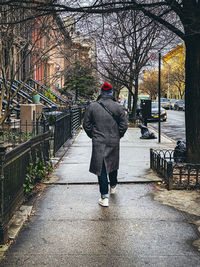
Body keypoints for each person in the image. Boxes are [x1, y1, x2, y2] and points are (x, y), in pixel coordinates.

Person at [83, 82, 128, 207]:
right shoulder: (118, 107)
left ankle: (104, 197)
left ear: (101, 92)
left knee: (101, 168)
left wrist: (93, 135)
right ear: (111, 92)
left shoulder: (92, 107)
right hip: (114, 140)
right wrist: (118, 135)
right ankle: (113, 185)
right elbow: (124, 125)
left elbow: (86, 125)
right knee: (113, 164)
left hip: (99, 141)